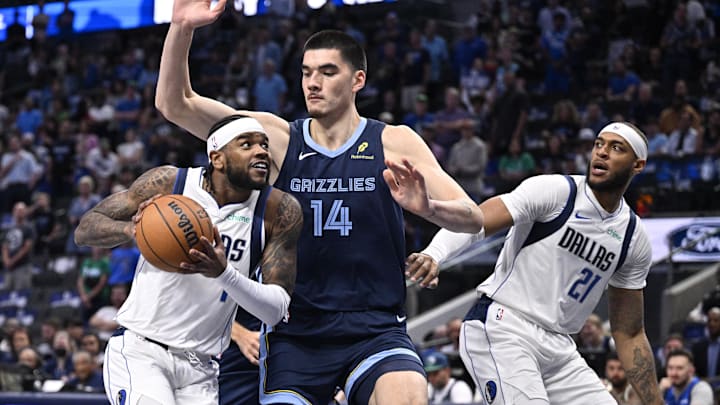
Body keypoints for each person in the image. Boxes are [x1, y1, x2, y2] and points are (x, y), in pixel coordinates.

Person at [155, 1, 484, 404]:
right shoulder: (275, 139)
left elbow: (474, 218)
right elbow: (176, 104)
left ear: (357, 79)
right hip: (297, 336)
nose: (313, 82)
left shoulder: (392, 141)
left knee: (409, 395)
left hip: (375, 329)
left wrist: (431, 210)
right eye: (307, 72)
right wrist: (181, 28)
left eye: (328, 73)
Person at [406, 122, 662, 404]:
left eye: (616, 148)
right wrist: (435, 253)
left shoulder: (632, 237)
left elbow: (629, 332)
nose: (602, 153)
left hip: (560, 347)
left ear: (637, 165)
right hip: (504, 326)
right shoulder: (557, 192)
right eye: (599, 144)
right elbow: (476, 221)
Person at [73, 114, 303, 405]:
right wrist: (133, 229)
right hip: (142, 351)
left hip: (202, 367)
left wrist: (223, 274)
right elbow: (86, 228)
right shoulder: (172, 183)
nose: (262, 152)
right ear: (217, 158)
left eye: (265, 145)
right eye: (247, 145)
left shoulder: (279, 211)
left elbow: (275, 311)